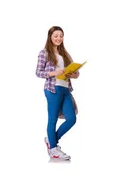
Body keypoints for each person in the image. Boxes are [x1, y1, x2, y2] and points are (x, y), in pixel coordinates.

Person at [36, 26, 78, 160]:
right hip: (52, 88)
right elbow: (38, 72)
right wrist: (54, 73)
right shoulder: (44, 53)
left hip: (65, 89)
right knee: (52, 119)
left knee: (71, 119)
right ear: (50, 37)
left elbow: (77, 74)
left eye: (61, 36)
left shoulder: (66, 54)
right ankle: (53, 149)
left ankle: (51, 140)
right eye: (56, 36)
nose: (59, 38)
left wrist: (73, 73)